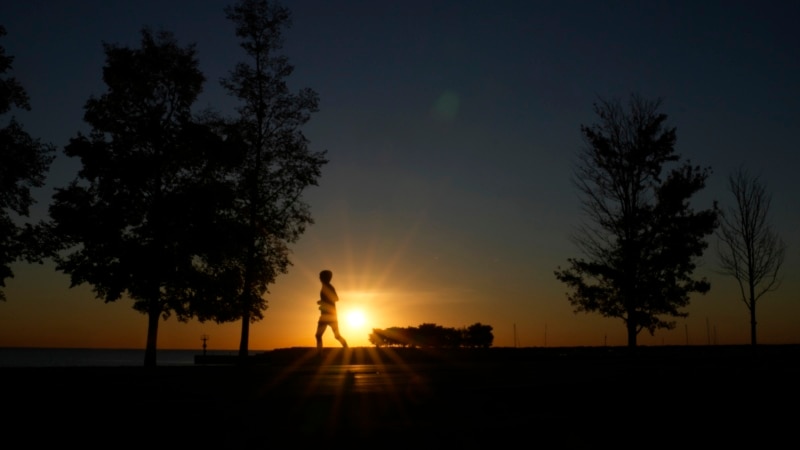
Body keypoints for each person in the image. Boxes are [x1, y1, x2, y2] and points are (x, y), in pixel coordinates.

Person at [315, 269, 348, 354]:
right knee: (321, 335)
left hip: (329, 316)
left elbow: (335, 298)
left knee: (333, 336)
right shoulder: (325, 286)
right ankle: (346, 350)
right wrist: (322, 303)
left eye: (321, 276)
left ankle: (347, 350)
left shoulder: (328, 286)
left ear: (325, 278)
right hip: (327, 315)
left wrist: (323, 302)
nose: (319, 278)